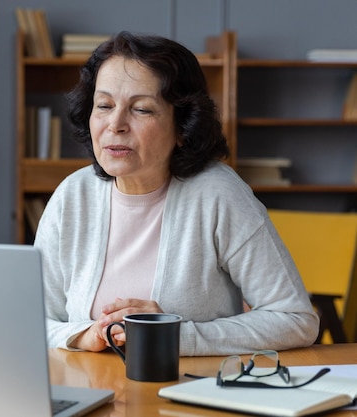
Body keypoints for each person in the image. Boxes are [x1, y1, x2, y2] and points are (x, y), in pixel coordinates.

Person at [34, 31, 319, 356]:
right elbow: (31, 320)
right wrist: (85, 335)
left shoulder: (219, 195)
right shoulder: (73, 196)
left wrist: (173, 335)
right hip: (92, 394)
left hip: (190, 393)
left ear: (182, 127)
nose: (116, 123)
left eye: (141, 109)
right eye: (104, 105)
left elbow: (295, 319)